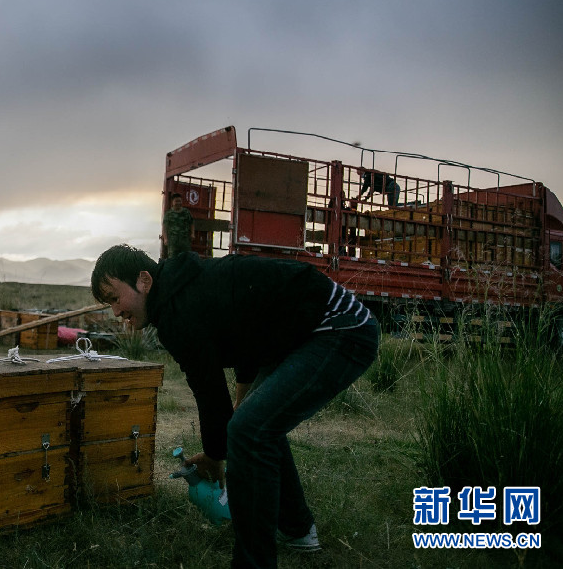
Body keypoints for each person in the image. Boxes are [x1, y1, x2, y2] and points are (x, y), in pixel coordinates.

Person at [91, 244, 379, 568]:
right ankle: (297, 530)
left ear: (143, 280)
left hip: (339, 327)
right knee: (254, 422)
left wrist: (216, 455)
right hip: (297, 335)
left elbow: (208, 389)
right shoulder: (182, 289)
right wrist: (233, 423)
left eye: (115, 298)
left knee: (250, 429)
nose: (116, 312)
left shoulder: (177, 309)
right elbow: (246, 333)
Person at [162, 192, 195, 259]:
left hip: (184, 240)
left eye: (179, 201)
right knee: (173, 259)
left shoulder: (186, 212)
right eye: (176, 201)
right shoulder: (169, 214)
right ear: (172, 202)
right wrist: (165, 239)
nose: (178, 203)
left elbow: (191, 223)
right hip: (173, 241)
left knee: (186, 258)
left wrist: (192, 234)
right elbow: (165, 227)